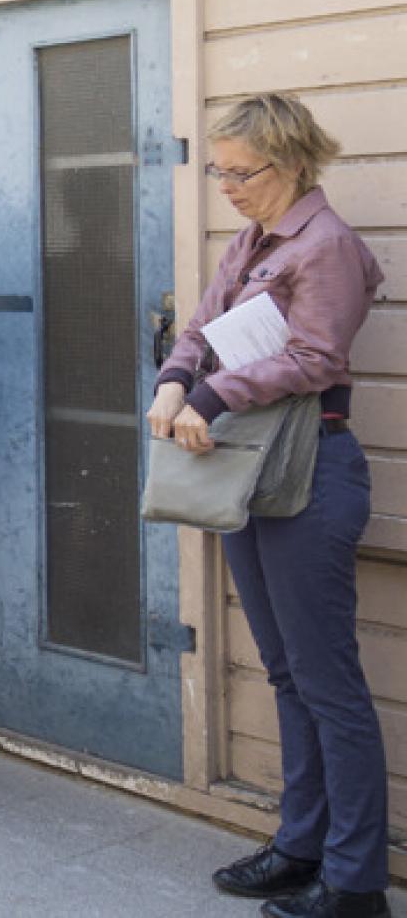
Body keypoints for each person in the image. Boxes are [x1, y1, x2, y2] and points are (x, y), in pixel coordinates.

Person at [147, 95, 387, 918]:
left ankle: (356, 883)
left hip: (312, 471)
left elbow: (316, 356)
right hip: (251, 471)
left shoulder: (328, 247)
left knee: (329, 683)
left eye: (240, 172)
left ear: (289, 162)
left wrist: (208, 395)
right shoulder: (251, 243)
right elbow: (201, 327)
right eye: (218, 170)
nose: (227, 187)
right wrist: (176, 378)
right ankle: (301, 844)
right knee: (287, 673)